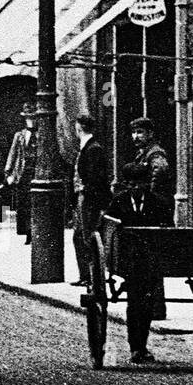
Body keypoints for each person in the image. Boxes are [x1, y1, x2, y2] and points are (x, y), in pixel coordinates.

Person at [105, 161, 175, 364]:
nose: (137, 188)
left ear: (146, 183)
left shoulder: (158, 203)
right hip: (127, 261)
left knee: (145, 304)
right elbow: (109, 229)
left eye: (140, 183)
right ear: (127, 185)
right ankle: (136, 346)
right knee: (135, 302)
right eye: (132, 184)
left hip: (150, 261)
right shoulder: (119, 203)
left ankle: (140, 346)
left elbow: (168, 231)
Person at [72, 114, 111, 287]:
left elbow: (97, 178)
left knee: (85, 236)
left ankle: (90, 276)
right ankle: (86, 275)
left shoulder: (93, 148)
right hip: (86, 198)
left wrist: (84, 189)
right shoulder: (89, 146)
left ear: (79, 128)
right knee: (80, 236)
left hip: (89, 200)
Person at [4, 104, 37, 242]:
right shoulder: (19, 135)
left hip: (34, 172)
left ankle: (31, 232)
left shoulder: (40, 134)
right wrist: (8, 171)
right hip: (22, 173)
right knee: (22, 204)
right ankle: (25, 229)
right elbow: (12, 154)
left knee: (33, 203)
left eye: (33, 118)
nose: (31, 120)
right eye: (28, 117)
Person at [127, 116, 173, 201]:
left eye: (140, 132)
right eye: (133, 132)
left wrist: (151, 196)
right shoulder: (142, 153)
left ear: (150, 134)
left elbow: (160, 169)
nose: (135, 137)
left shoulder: (155, 153)